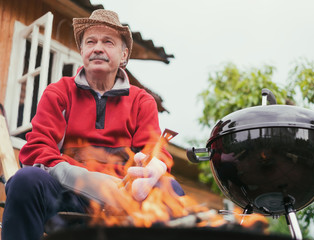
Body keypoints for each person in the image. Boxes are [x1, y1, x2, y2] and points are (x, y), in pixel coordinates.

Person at [1, 9, 184, 240]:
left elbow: (154, 151)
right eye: (91, 41)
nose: (98, 47)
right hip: (66, 193)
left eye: (108, 42)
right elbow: (37, 152)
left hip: (123, 198)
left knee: (171, 189)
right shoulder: (59, 92)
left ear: (124, 54)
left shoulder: (141, 101)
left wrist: (152, 167)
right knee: (24, 181)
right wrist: (96, 182)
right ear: (82, 51)